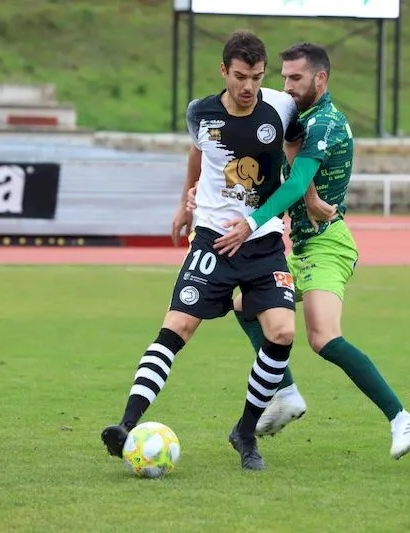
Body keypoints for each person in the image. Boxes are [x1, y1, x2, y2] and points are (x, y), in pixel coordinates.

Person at [188, 43, 410, 460]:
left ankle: (401, 418)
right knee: (246, 307)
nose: (287, 86)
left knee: (323, 337)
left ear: (321, 78)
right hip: (300, 245)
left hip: (326, 243)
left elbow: (296, 182)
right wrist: (201, 193)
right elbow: (282, 173)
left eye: (295, 78)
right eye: (283, 77)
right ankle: (284, 393)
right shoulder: (299, 120)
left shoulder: (325, 122)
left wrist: (251, 223)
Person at [100, 30, 305, 471]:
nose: (248, 86)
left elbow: (296, 148)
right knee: (177, 326)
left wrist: (296, 192)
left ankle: (245, 432)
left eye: (257, 77)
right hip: (213, 238)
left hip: (263, 240)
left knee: (283, 332)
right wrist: (184, 202)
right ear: (223, 71)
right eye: (240, 76)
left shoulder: (281, 107)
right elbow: (197, 153)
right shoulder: (201, 112)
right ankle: (125, 425)